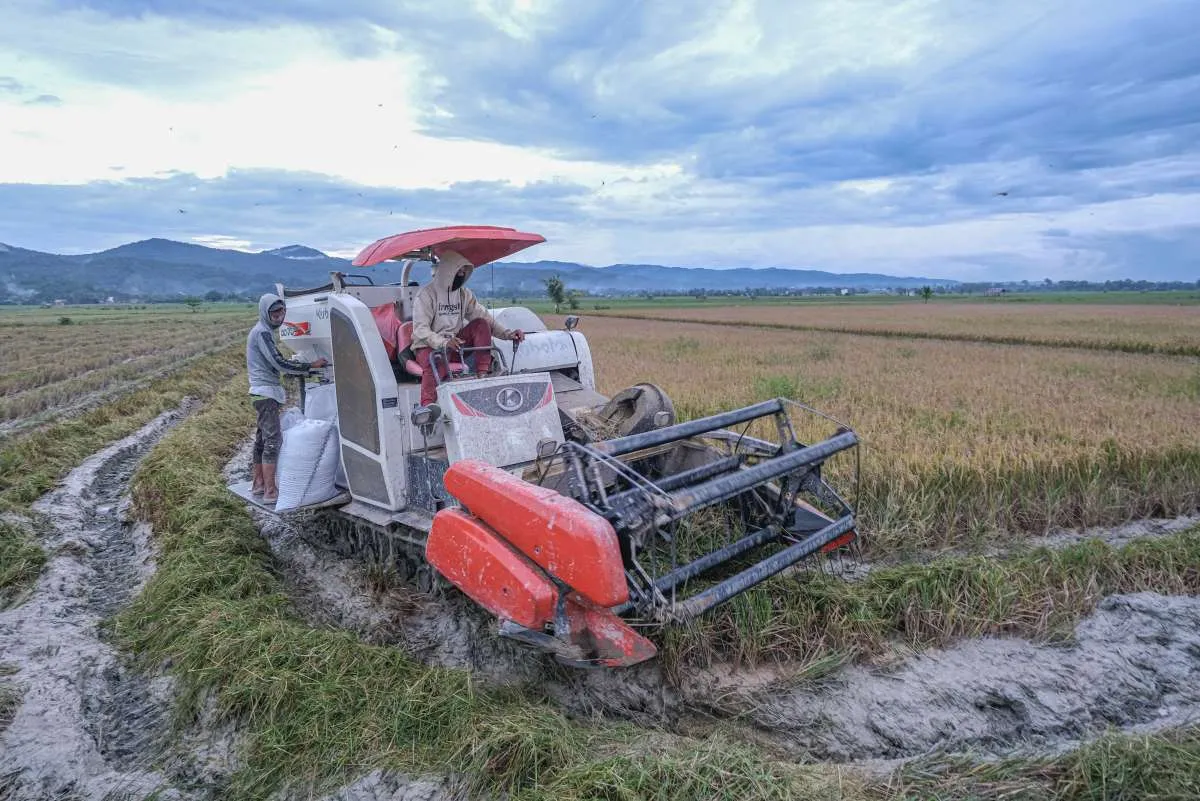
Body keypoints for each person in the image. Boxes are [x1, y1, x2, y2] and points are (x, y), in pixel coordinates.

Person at [410, 250, 524, 407]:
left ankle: (483, 375)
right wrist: (443, 343)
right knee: (437, 359)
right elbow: (420, 330)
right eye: (459, 271)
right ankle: (427, 407)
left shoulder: (464, 294)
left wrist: (508, 334)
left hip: (455, 345)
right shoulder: (426, 295)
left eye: (464, 272)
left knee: (481, 324)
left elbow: (485, 317)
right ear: (448, 271)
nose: (462, 275)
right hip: (428, 347)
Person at [246, 293, 327, 502]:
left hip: (260, 393)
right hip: (266, 393)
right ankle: (270, 492)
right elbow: (278, 363)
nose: (279, 316)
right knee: (273, 440)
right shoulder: (262, 333)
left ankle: (258, 485)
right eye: (274, 312)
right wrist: (310, 365)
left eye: (282, 312)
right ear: (265, 312)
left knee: (262, 440)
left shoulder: (262, 332)